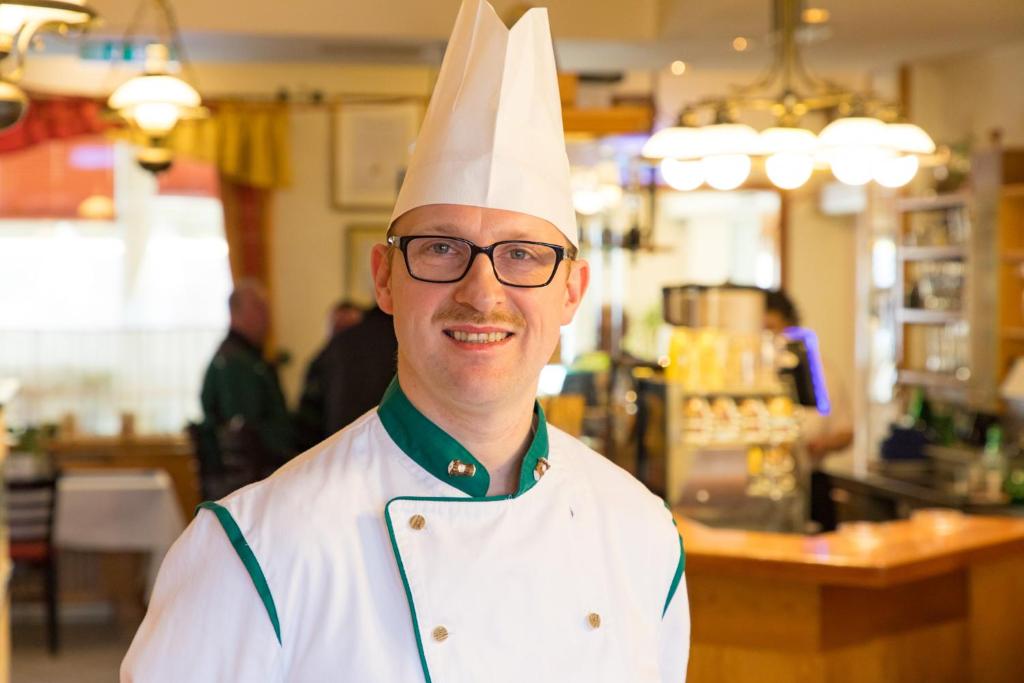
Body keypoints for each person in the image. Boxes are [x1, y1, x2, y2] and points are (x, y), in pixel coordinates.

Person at [122, 2, 689, 681]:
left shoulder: (642, 533)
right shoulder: (258, 549)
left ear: (571, 290)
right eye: (443, 247)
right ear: (385, 278)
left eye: (524, 254)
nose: (482, 291)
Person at [194, 278, 294, 500]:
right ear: (235, 313)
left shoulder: (245, 357)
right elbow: (243, 430)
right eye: (259, 307)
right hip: (249, 483)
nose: (266, 316)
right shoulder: (235, 363)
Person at [292, 299, 376, 451]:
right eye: (338, 329)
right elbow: (306, 419)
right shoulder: (319, 364)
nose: (344, 339)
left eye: (349, 331)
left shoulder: (376, 364)